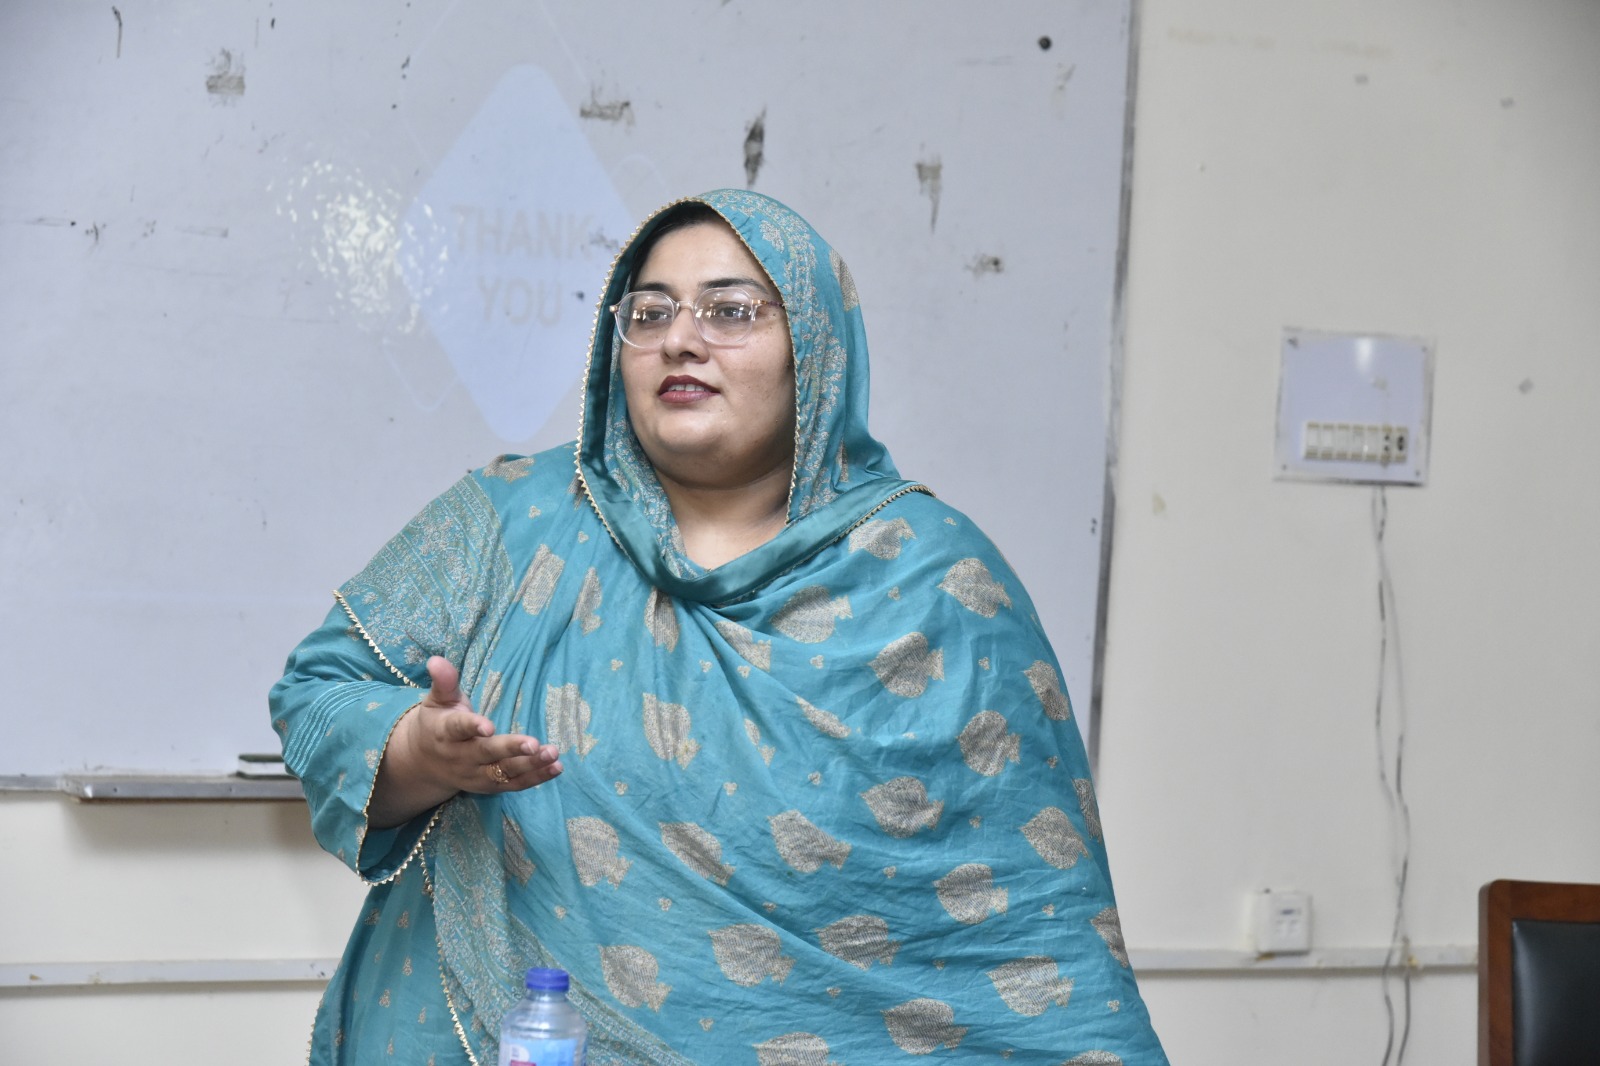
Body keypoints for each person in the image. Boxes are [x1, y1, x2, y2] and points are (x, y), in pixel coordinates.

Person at [271, 189, 1169, 1065]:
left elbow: (1030, 919)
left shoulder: (937, 580)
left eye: (731, 311)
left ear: (814, 350)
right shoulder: (513, 520)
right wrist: (418, 755)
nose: (680, 339)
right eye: (649, 312)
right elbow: (319, 693)